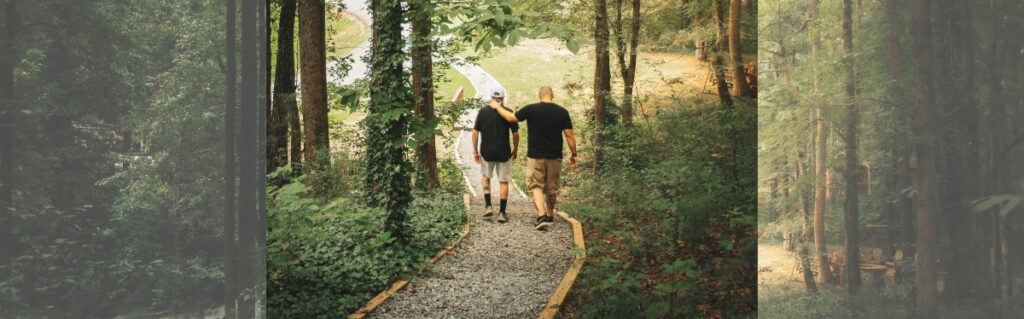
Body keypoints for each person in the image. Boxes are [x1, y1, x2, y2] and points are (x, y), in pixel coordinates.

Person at [490, 86, 577, 230]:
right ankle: (549, 215)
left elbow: (512, 118)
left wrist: (497, 107)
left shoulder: (531, 109)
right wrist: (574, 154)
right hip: (555, 156)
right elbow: (569, 135)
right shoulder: (562, 112)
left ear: (539, 95)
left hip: (536, 156)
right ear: (552, 95)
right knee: (552, 188)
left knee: (536, 185)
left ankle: (541, 215)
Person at [473, 87, 520, 223]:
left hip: (487, 152)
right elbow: (515, 134)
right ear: (503, 98)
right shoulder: (509, 113)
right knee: (503, 181)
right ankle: (502, 212)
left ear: (491, 97)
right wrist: (515, 150)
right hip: (504, 152)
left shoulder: (482, 112)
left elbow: (475, 133)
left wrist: (475, 151)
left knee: (486, 178)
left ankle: (488, 206)